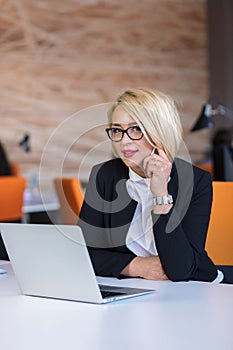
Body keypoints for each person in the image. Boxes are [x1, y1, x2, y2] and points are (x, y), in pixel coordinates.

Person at [79, 87, 223, 283]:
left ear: (159, 132)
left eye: (136, 129)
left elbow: (181, 270)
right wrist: (137, 266)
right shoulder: (105, 175)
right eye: (117, 130)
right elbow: (83, 252)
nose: (124, 140)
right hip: (134, 287)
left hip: (193, 289)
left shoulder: (196, 181)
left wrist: (160, 195)